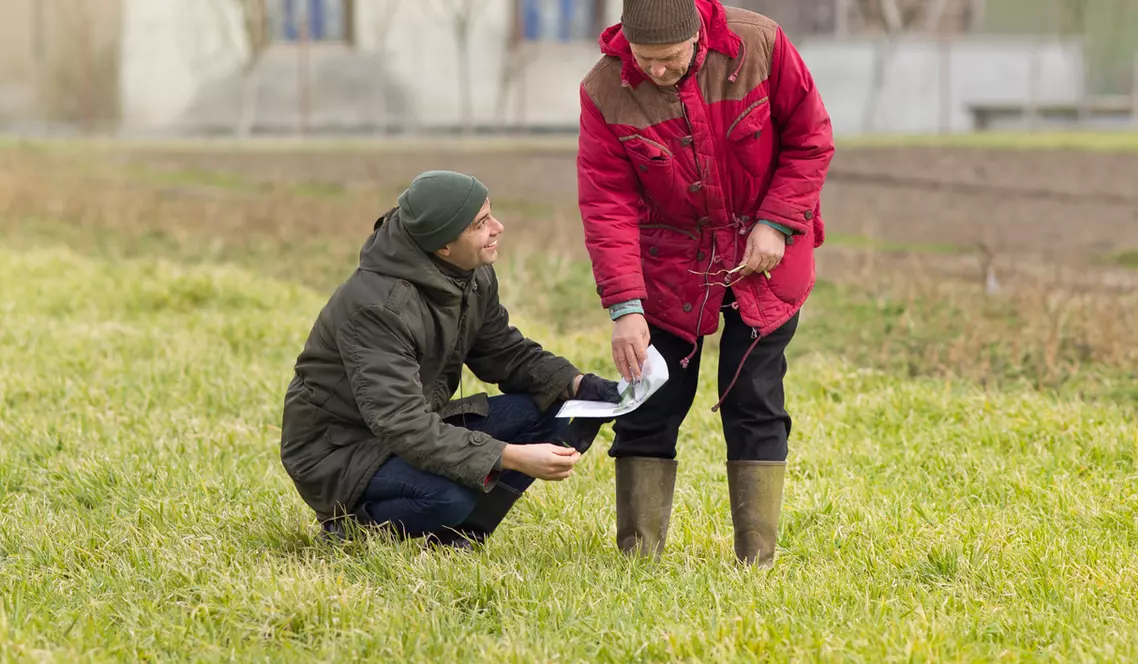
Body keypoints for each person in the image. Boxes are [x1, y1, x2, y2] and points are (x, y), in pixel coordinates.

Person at [576, 0, 835, 566]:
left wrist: (776, 223)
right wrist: (625, 308)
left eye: (669, 58)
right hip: (669, 264)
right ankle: (637, 557)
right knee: (651, 400)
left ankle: (756, 561)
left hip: (762, 254)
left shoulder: (760, 46)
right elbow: (606, 206)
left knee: (753, 397)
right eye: (645, 60)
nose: (657, 71)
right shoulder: (604, 90)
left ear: (697, 34)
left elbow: (810, 138)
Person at [280, 170, 620, 547]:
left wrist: (576, 385)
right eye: (481, 224)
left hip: (406, 425)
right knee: (447, 497)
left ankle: (461, 535)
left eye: (491, 214)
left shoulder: (469, 275)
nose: (498, 227)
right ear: (443, 246)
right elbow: (403, 424)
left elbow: (503, 352)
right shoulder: (378, 309)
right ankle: (350, 530)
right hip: (340, 453)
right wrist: (509, 456)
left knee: (547, 408)